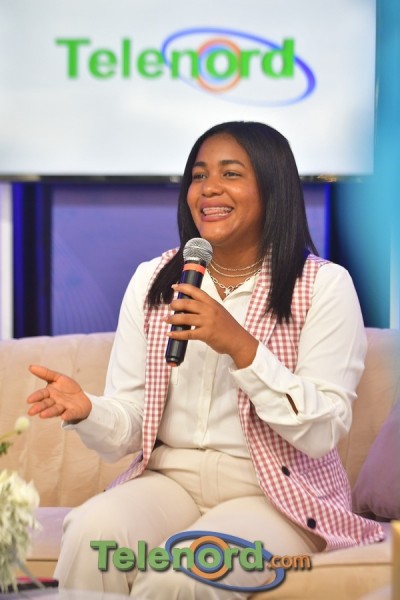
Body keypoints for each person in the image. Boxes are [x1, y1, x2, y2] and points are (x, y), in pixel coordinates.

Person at [27, 121, 385, 599]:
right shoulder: (154, 279)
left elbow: (322, 431)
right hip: (168, 480)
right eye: (199, 175)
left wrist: (240, 345)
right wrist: (89, 410)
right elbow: (132, 426)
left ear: (273, 188)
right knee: (94, 536)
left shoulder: (322, 285)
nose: (209, 188)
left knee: (183, 575)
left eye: (231, 174)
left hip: (273, 494)